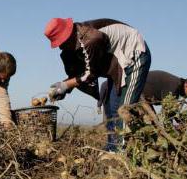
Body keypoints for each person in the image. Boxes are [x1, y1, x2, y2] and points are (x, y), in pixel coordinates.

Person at [44, 18, 151, 151]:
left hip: (134, 55)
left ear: (69, 34)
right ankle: (112, 148)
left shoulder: (91, 38)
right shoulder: (76, 42)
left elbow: (90, 74)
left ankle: (121, 154)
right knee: (112, 108)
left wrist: (65, 85)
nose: (60, 46)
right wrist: (65, 87)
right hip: (116, 64)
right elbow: (79, 72)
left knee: (124, 109)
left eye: (61, 42)